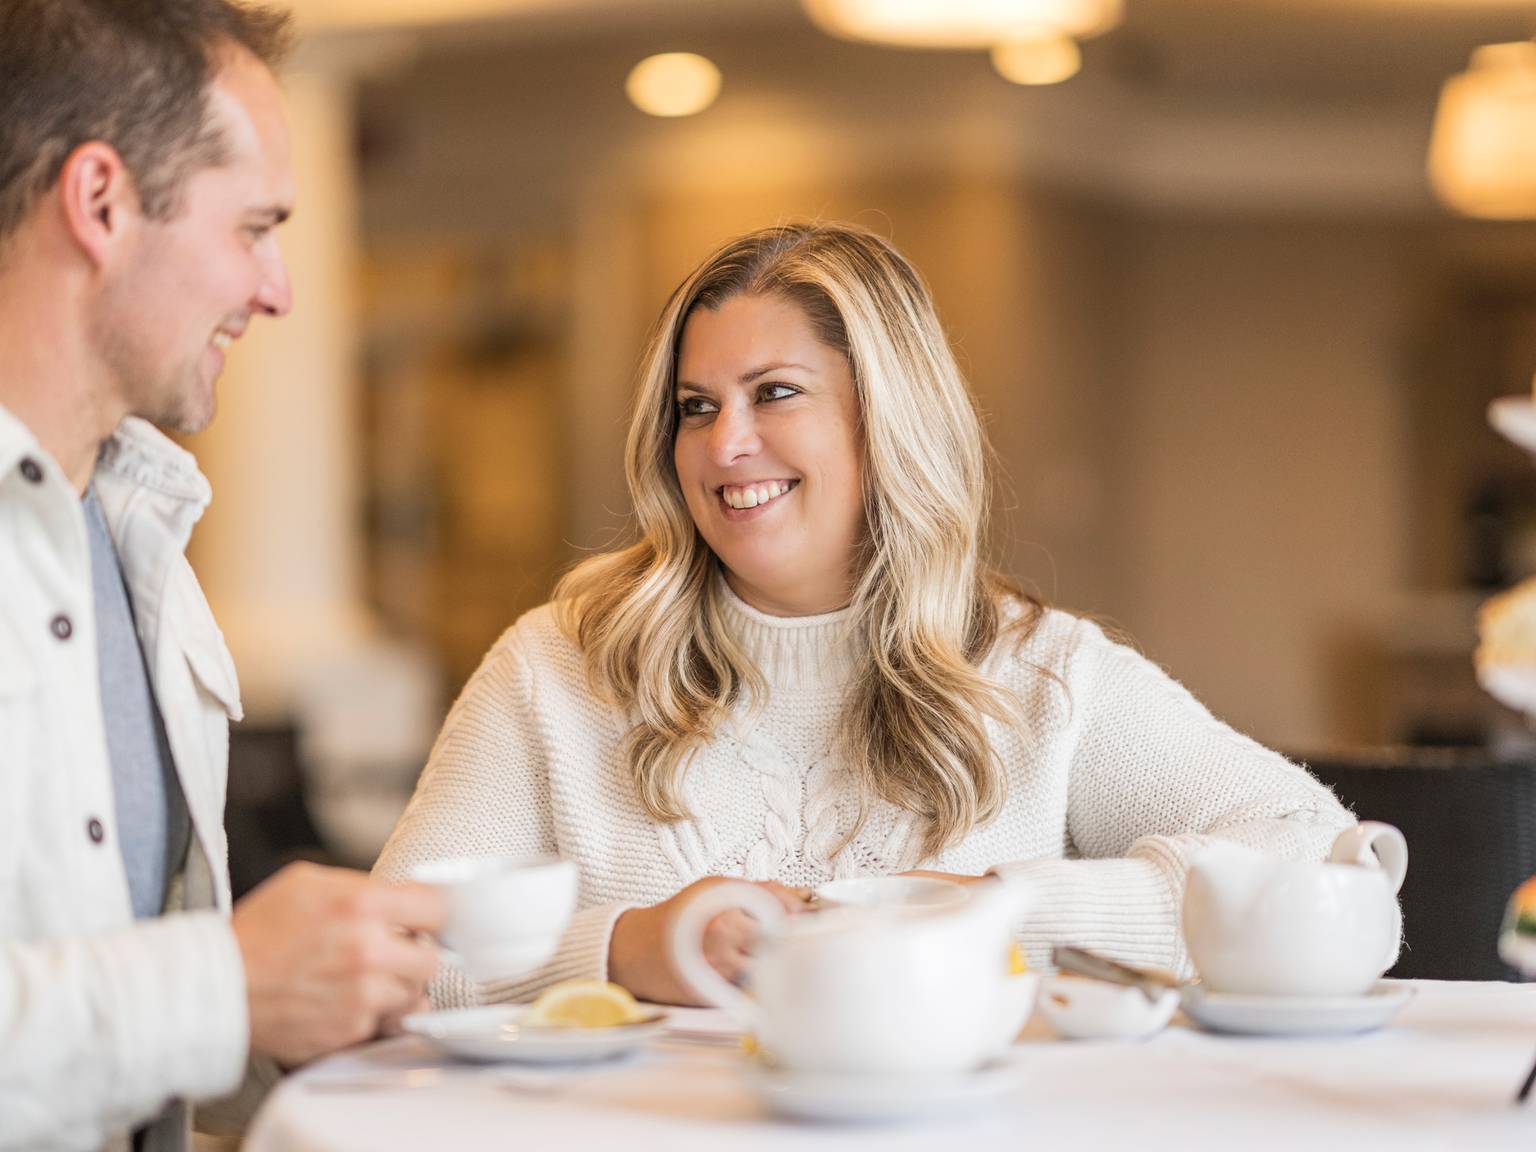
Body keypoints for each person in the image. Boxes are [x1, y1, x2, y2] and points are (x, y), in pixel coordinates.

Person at [374, 222, 1355, 1008]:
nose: (726, 447)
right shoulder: (557, 664)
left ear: (887, 420)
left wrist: (999, 909)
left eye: (776, 394)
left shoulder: (1038, 672)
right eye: (697, 407)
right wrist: (628, 946)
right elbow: (393, 947)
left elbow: (1312, 847)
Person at [0, 3, 446, 1149]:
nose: (280, 289)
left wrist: (296, 1018)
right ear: (100, 202)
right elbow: (188, 993)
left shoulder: (140, 538)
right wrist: (233, 987)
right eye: (253, 227)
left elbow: (128, 1012)